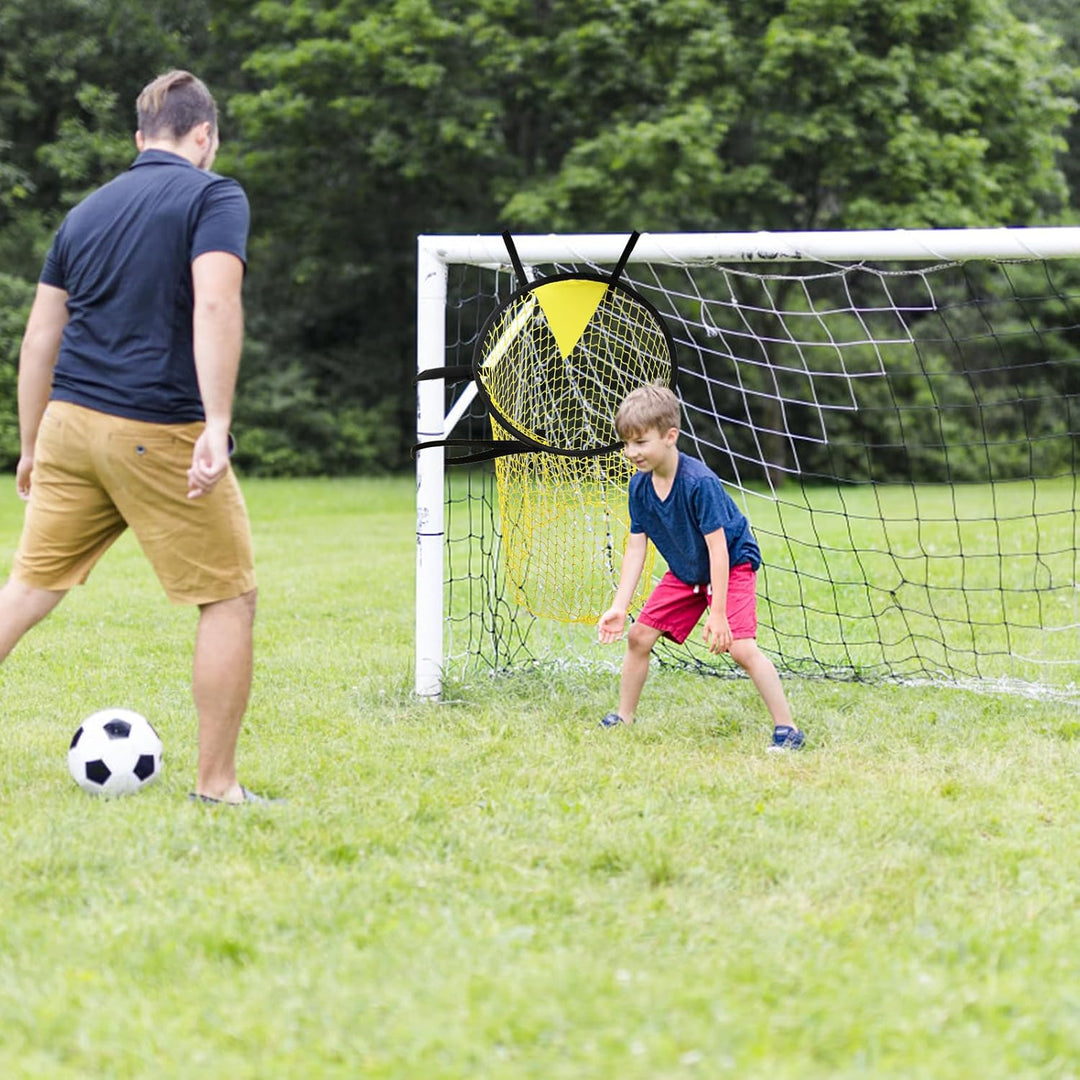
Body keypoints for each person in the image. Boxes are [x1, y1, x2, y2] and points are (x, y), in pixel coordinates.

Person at [0, 70, 270, 803]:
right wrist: (217, 423)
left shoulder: (83, 213)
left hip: (67, 425)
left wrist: (31, 445)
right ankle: (218, 788)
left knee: (24, 591)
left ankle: (218, 784)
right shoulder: (215, 194)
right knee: (228, 598)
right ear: (204, 135)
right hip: (156, 429)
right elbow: (215, 301)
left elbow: (38, 340)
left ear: (138, 139)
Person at [597, 384, 803, 751]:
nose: (631, 453)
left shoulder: (699, 482)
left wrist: (719, 613)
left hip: (731, 565)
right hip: (687, 571)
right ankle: (624, 717)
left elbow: (719, 549)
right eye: (626, 444)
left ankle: (787, 729)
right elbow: (635, 546)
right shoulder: (639, 487)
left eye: (641, 443)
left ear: (670, 436)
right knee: (638, 637)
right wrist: (619, 606)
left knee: (741, 649)